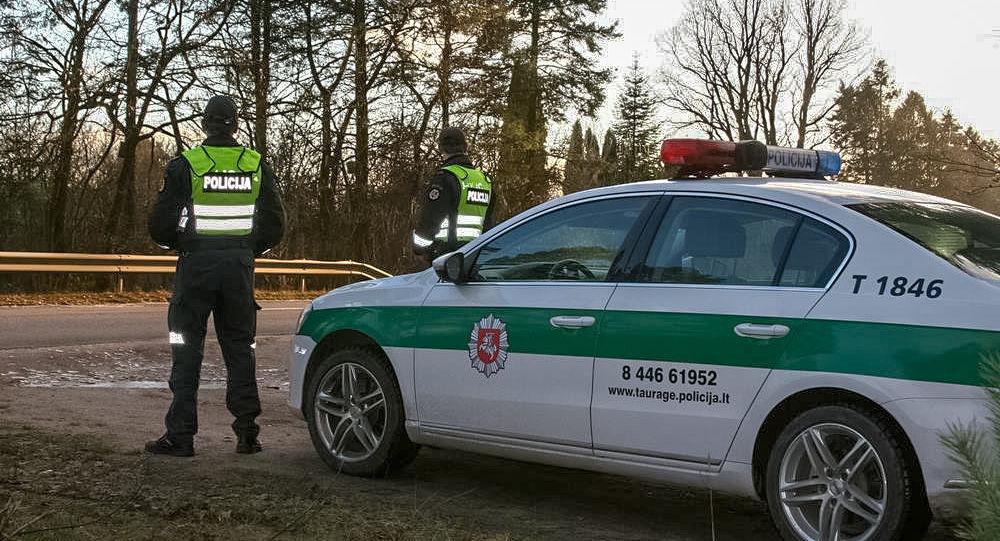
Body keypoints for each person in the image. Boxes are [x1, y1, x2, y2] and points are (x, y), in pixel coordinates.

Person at [146, 95, 285, 457]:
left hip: (196, 265)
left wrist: (180, 241)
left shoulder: (188, 164)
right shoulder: (255, 165)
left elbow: (160, 226)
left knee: (186, 349)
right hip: (239, 268)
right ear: (235, 124)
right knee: (241, 349)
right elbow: (275, 222)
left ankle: (180, 436)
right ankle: (247, 434)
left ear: (206, 123)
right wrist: (250, 247)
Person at [412, 126, 494, 263]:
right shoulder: (485, 180)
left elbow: (430, 220)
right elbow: (488, 223)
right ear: (465, 147)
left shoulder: (445, 178)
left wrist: (419, 249)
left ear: (441, 148)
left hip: (446, 257)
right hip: (475, 257)